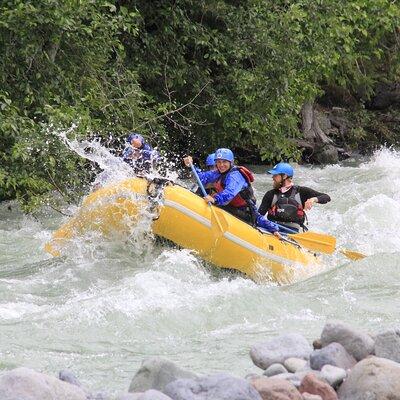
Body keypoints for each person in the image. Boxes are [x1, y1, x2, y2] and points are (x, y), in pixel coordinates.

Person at [183, 149, 280, 237]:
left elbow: (229, 193)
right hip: (231, 207)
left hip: (245, 212)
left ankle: (274, 228)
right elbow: (201, 178)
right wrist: (191, 166)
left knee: (262, 221)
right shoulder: (218, 173)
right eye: (219, 162)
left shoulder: (235, 175)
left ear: (231, 162)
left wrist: (215, 199)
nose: (221, 165)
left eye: (224, 162)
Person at [258, 162, 331, 232]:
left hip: (293, 233)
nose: (273, 177)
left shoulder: (301, 192)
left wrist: (313, 199)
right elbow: (259, 216)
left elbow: (326, 197)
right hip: (273, 230)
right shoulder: (270, 194)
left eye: (275, 175)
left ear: (284, 176)